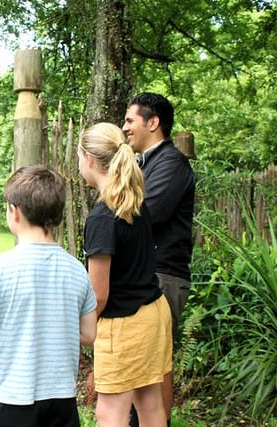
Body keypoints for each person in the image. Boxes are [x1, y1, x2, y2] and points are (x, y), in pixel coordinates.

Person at [0, 165, 98, 427]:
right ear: (57, 215)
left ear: (14, 211)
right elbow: (90, 334)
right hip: (61, 399)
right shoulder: (77, 270)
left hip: (11, 399)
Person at [78, 122, 172, 427]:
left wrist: (81, 331)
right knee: (149, 403)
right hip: (153, 314)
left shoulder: (102, 216)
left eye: (79, 156)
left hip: (124, 325)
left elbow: (99, 295)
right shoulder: (134, 201)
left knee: (110, 413)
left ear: (89, 160)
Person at [122, 93, 196, 425]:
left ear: (153, 123)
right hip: (147, 277)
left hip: (163, 279)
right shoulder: (146, 163)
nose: (124, 128)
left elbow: (145, 215)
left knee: (155, 373)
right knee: (142, 371)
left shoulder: (172, 163)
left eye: (129, 121)